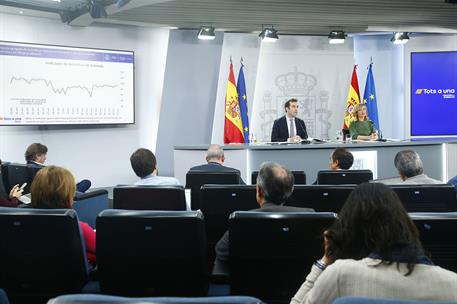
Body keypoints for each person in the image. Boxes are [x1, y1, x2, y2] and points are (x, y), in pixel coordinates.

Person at [291, 183, 457, 304]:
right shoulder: (452, 284)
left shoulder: (340, 275)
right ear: (404, 222)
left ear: (350, 227)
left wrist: (324, 262)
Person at [215, 162, 314, 264]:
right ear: (291, 191)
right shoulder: (310, 216)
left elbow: (222, 252)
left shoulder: (241, 220)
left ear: (259, 190)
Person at [30, 166, 96, 266]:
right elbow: (106, 250)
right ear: (68, 195)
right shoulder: (78, 228)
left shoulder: (23, 223)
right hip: (77, 279)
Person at [25, 143, 92, 193]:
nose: (45, 158)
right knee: (86, 182)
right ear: (38, 156)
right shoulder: (42, 170)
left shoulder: (26, 167)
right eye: (44, 155)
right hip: (58, 194)